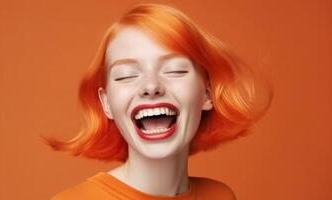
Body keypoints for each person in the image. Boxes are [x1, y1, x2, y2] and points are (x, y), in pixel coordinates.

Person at [46, 3, 272, 200]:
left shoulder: (220, 196)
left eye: (174, 70)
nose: (151, 86)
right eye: (127, 75)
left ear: (207, 94)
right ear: (106, 104)